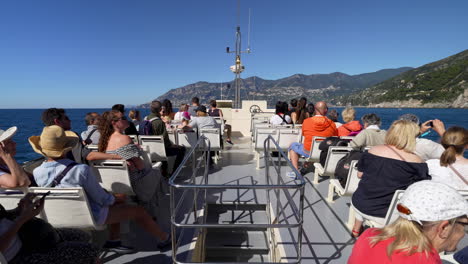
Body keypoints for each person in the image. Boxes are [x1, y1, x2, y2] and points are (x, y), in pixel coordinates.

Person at [29, 125, 171, 253]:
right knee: (136, 210)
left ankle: (114, 240)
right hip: (90, 216)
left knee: (116, 200)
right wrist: (116, 198)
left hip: (58, 216)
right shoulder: (80, 170)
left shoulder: (37, 172)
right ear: (66, 148)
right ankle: (164, 239)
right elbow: (102, 200)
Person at [349, 180, 468, 264]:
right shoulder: (428, 261)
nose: (464, 234)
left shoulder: (369, 235)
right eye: (465, 225)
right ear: (444, 228)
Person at [351, 120, 430, 237]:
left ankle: (356, 228)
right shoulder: (417, 162)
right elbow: (420, 189)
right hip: (387, 213)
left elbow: (360, 175)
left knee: (366, 190)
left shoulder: (372, 151)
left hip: (360, 203)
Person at [0, 193, 99, 263]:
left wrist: (20, 209)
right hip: (20, 257)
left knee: (81, 235)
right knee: (90, 250)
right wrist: (22, 220)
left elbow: (3, 216)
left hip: (27, 239)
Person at [41, 108, 118, 163]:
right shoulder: (71, 136)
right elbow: (89, 156)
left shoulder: (47, 140)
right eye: (66, 118)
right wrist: (117, 156)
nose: (70, 120)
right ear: (57, 121)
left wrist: (81, 144)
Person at [288, 101, 337, 175]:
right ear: (326, 110)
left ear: (314, 109)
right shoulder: (332, 124)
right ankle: (306, 165)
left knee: (293, 146)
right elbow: (334, 137)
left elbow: (305, 135)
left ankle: (296, 170)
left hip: (308, 151)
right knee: (316, 149)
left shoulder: (306, 122)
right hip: (324, 152)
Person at [146, 100, 186, 176]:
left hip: (149, 150)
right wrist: (174, 145)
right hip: (160, 150)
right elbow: (165, 140)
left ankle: (164, 171)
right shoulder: (159, 122)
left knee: (161, 149)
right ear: (159, 110)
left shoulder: (146, 119)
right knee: (182, 149)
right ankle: (174, 173)